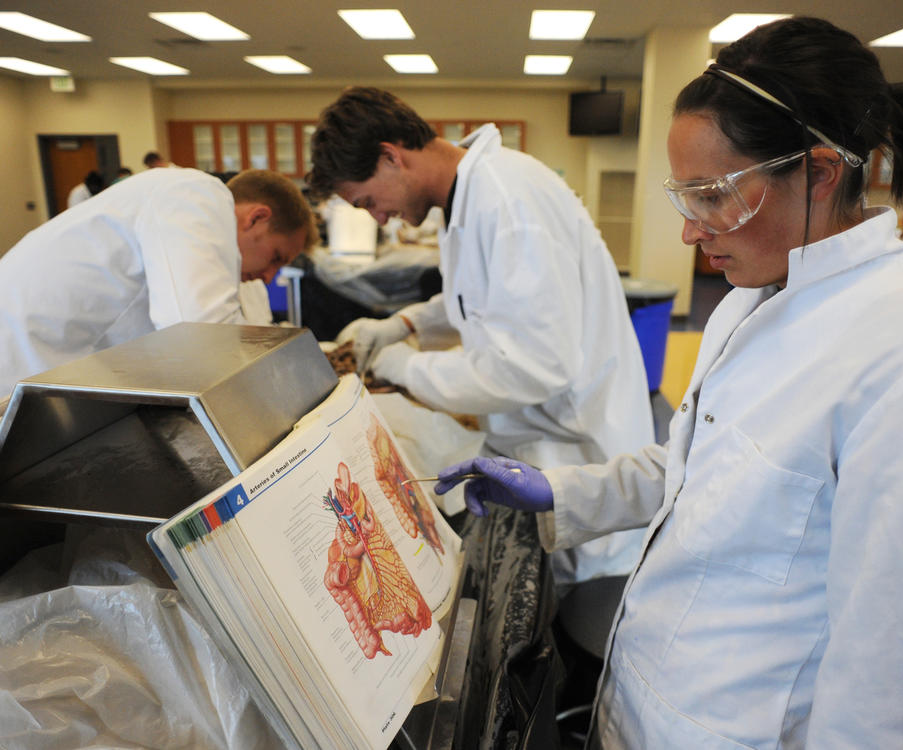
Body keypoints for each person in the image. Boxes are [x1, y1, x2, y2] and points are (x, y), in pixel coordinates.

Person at [435, 16, 903, 749]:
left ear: (820, 173)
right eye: (686, 195)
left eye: (712, 194)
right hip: (650, 699)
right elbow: (697, 467)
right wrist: (563, 491)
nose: (690, 230)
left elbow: (886, 674)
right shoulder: (748, 302)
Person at [308, 86, 655, 585]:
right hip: (537, 442)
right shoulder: (466, 197)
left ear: (390, 157)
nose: (376, 217)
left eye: (367, 201)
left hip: (578, 449)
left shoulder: (508, 201)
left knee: (578, 615)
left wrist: (403, 367)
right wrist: (405, 324)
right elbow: (478, 296)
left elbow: (532, 366)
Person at [0, 167, 317, 397]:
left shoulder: (177, 216)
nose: (269, 278)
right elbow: (202, 339)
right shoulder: (198, 196)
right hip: (18, 351)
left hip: (48, 360)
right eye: (276, 257)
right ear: (256, 217)